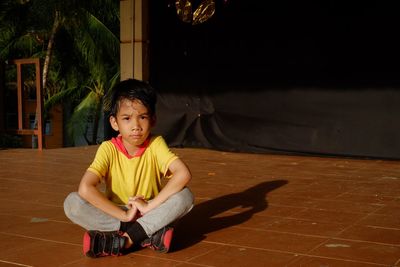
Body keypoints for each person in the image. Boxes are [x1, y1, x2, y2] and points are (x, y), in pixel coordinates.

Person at [63, 78, 194, 258]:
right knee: (72, 203)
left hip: (150, 212)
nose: (136, 126)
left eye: (142, 117)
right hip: (117, 213)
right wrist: (124, 217)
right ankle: (144, 235)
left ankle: (122, 240)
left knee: (185, 196)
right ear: (114, 122)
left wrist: (149, 206)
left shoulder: (156, 144)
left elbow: (183, 174)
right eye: (127, 118)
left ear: (153, 119)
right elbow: (85, 188)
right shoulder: (108, 149)